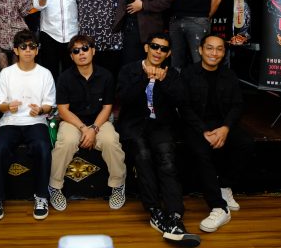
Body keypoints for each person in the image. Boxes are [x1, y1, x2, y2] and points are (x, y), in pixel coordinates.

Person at [116, 33, 200, 246]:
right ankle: (154, 210)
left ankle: (175, 215)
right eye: (155, 46)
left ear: (168, 53)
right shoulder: (129, 70)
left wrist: (164, 81)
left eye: (163, 49)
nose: (158, 51)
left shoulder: (172, 74)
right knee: (142, 156)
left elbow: (182, 100)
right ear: (147, 48)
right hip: (134, 125)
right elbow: (124, 98)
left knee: (167, 160)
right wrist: (145, 78)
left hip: (160, 125)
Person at [179, 35, 253, 233]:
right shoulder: (188, 73)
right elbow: (184, 107)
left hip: (221, 125)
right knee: (201, 152)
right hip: (196, 126)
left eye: (219, 49)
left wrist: (225, 128)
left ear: (224, 52)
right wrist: (204, 130)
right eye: (210, 48)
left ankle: (225, 187)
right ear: (200, 50)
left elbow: (237, 105)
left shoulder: (229, 75)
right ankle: (219, 207)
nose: (214, 53)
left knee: (245, 143)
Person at [48, 34, 126, 212]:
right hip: (73, 122)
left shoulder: (106, 76)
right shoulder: (65, 78)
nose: (81, 53)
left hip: (100, 120)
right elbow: (63, 110)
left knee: (111, 141)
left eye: (85, 48)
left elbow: (107, 108)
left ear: (93, 51)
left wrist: (94, 129)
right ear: (71, 56)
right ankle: (55, 186)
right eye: (76, 51)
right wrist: (84, 129)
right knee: (66, 142)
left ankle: (118, 185)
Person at [0, 29, 56, 220]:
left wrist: (40, 110)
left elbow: (49, 105)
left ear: (37, 50)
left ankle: (41, 196)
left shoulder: (45, 74)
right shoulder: (6, 74)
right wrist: (8, 107)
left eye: (32, 46)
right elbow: (0, 105)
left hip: (36, 122)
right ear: (16, 50)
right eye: (23, 47)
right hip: (10, 122)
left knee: (43, 147)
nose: (28, 50)